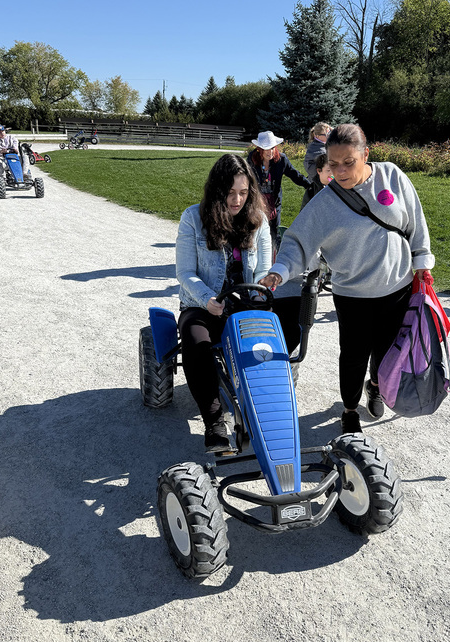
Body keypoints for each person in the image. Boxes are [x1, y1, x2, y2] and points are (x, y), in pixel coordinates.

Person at [260, 123, 435, 434]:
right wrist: (280, 270)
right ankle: (350, 408)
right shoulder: (325, 203)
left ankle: (377, 386)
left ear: (365, 154)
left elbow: (415, 222)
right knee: (353, 355)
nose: (340, 171)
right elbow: (299, 242)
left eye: (349, 162)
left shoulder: (392, 176)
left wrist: (422, 261)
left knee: (387, 350)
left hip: (397, 287)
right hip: (352, 295)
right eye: (333, 164)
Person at [176, 153, 301, 453]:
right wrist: (208, 300)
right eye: (230, 193)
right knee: (196, 341)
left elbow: (261, 270)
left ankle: (263, 395)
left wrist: (260, 290)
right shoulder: (193, 218)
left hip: (245, 302)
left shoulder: (257, 220)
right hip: (203, 304)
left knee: (293, 319)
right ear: (217, 191)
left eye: (243, 193)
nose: (237, 200)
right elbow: (185, 273)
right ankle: (215, 421)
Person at [246, 131, 312, 249]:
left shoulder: (281, 160)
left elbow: (294, 174)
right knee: (255, 229)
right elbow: (247, 179)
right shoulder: (252, 159)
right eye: (266, 149)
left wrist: (310, 185)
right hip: (257, 200)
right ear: (259, 149)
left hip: (273, 201)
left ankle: (275, 257)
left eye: (272, 148)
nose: (270, 152)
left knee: (274, 232)